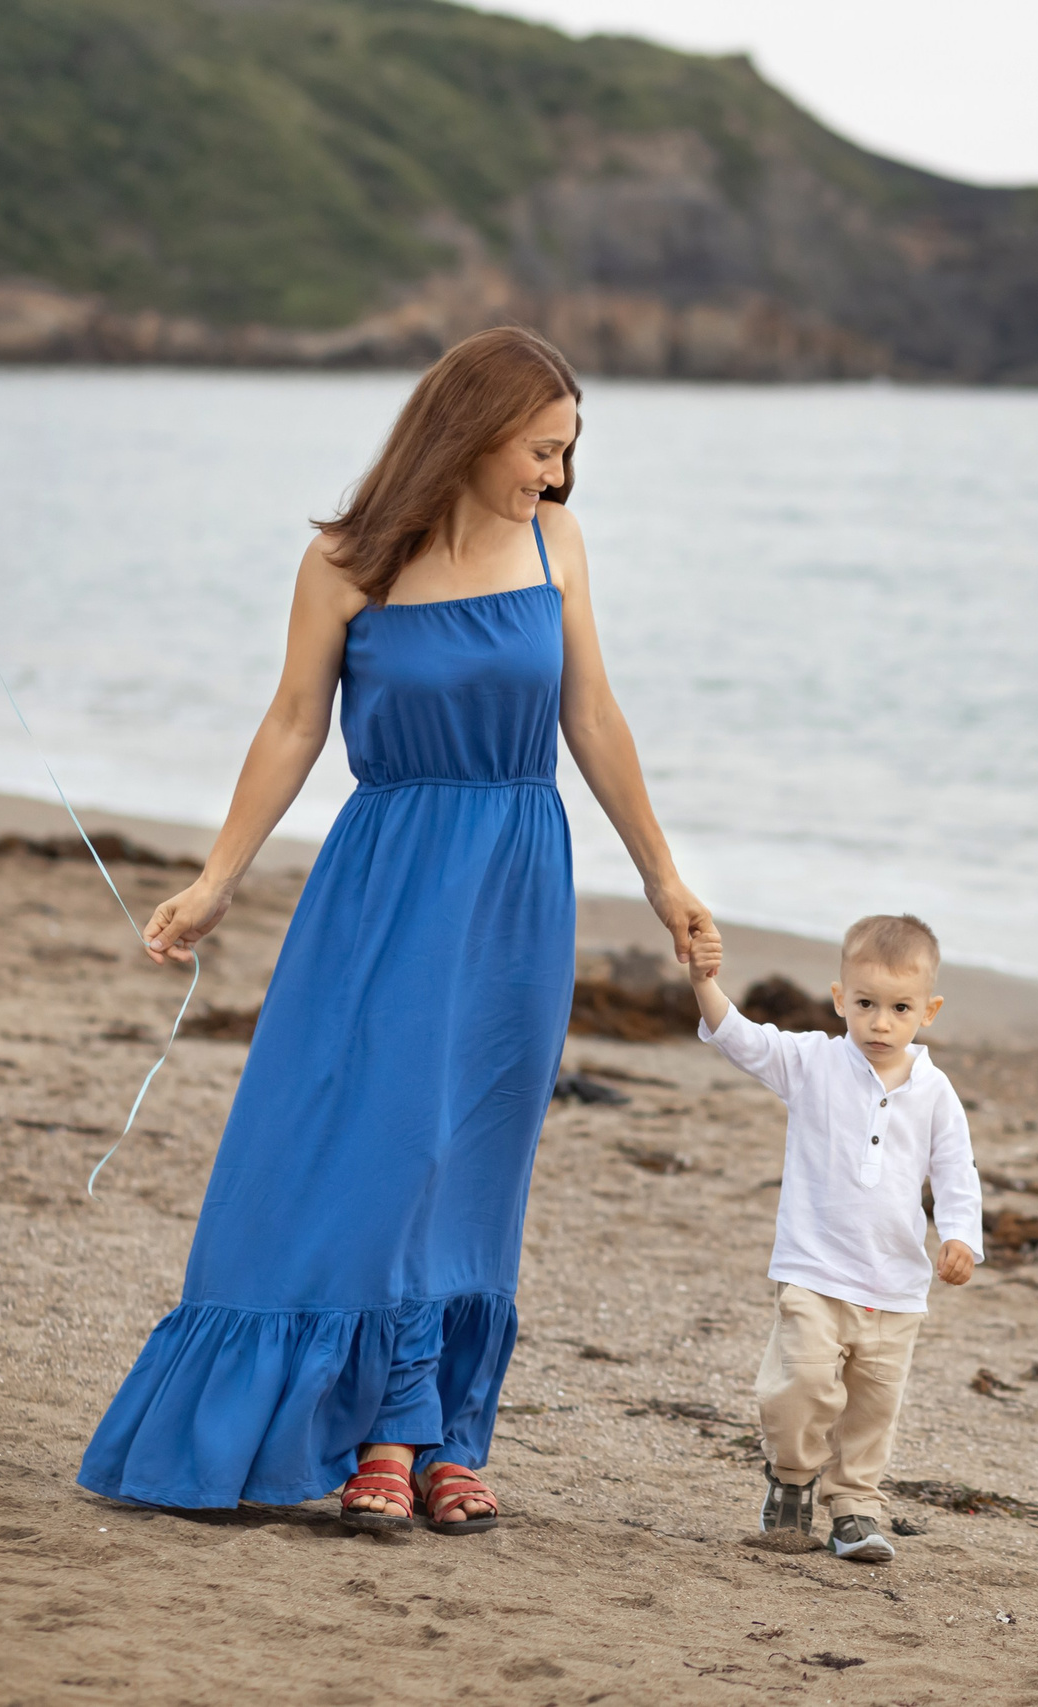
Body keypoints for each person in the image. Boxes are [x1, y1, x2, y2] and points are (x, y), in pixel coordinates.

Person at [78, 327, 714, 1535]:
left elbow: (592, 716)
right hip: (387, 880)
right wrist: (217, 880)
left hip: (517, 883)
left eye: (567, 453)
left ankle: (426, 1439)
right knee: (378, 1145)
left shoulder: (555, 546)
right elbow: (289, 728)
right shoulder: (346, 562)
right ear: (471, 433)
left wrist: (663, 879)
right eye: (541, 449)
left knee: (472, 1156)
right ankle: (378, 1426)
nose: (556, 476)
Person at [688, 914, 983, 1563]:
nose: (881, 1021)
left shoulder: (935, 1091)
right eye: (866, 1003)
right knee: (798, 1386)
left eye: (899, 1007)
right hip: (815, 1270)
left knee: (873, 1409)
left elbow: (956, 1170)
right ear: (839, 998)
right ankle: (790, 1478)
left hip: (896, 1287)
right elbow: (741, 1038)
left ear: (928, 1010)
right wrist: (704, 980)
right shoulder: (813, 1062)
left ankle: (855, 1508)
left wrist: (960, 1236)